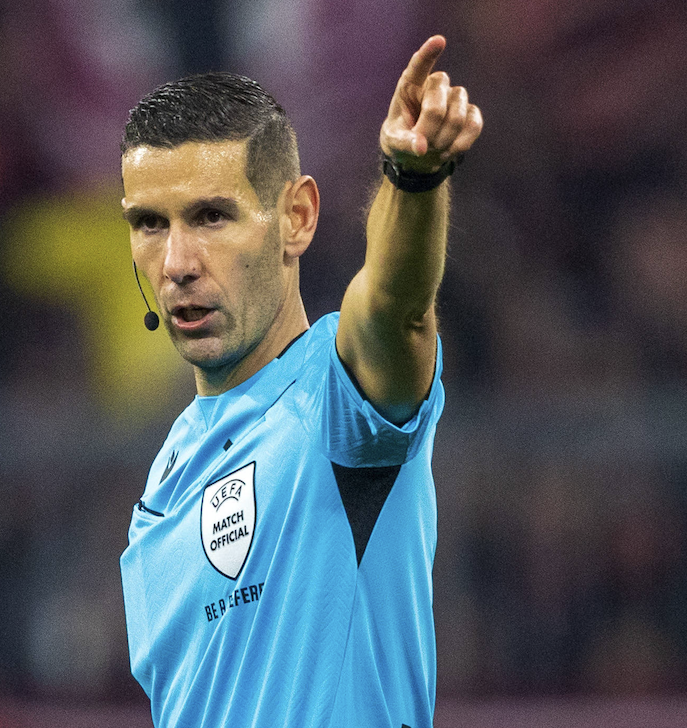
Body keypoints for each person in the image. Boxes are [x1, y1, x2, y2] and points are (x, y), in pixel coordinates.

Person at [119, 35, 482, 727]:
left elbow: (396, 307)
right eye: (150, 224)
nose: (177, 263)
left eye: (211, 216)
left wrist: (412, 178)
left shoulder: (335, 400)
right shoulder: (160, 489)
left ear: (297, 217)